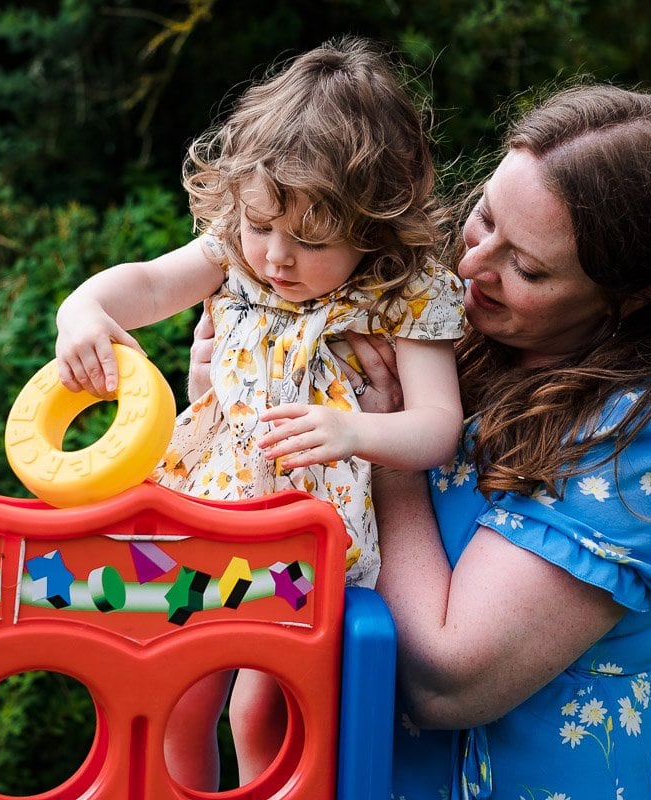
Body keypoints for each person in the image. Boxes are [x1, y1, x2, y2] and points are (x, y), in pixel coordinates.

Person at [187, 82, 651, 798]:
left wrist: (389, 451)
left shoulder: (638, 434)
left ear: (633, 293)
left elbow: (446, 681)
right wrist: (230, 390)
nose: (472, 268)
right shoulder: (439, 319)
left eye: (527, 267)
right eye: (483, 218)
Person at [54, 37, 465, 790]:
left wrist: (357, 431)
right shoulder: (233, 256)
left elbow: (438, 424)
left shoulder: (403, 295)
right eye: (260, 224)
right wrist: (82, 308)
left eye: (310, 239)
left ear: (372, 227)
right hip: (203, 515)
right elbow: (144, 286)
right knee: (177, 693)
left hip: (309, 536)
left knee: (263, 711)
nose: (276, 256)